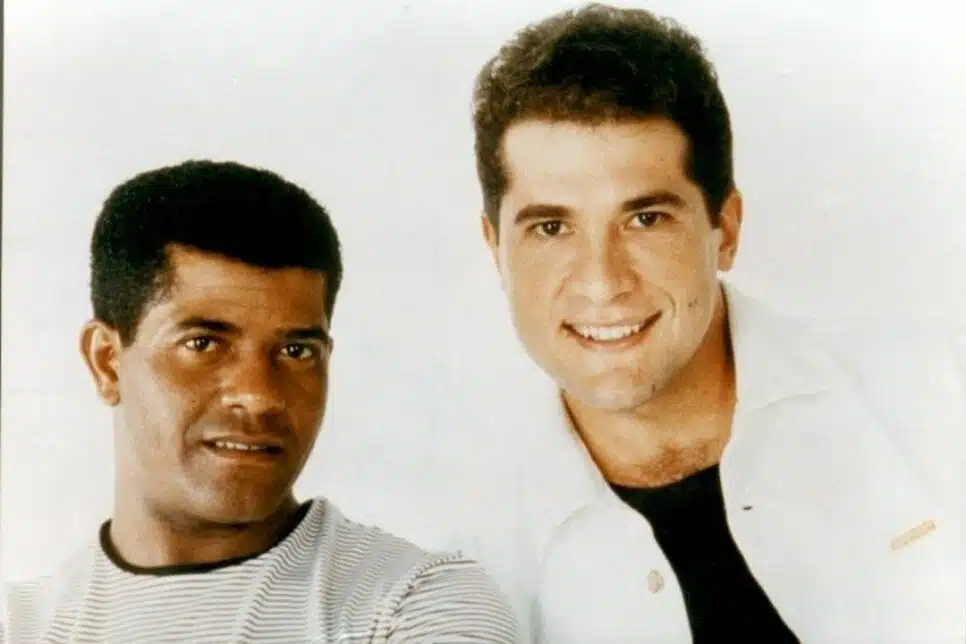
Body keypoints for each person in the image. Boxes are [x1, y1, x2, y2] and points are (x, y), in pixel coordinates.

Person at [346, 4, 965, 643]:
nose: (602, 281)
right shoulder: (442, 565)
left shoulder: (939, 396)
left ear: (726, 230)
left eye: (645, 219)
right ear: (495, 249)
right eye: (551, 228)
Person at [0, 160, 519, 643]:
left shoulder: (414, 602)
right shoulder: (20, 625)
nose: (259, 395)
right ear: (107, 362)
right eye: (203, 344)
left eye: (296, 351)